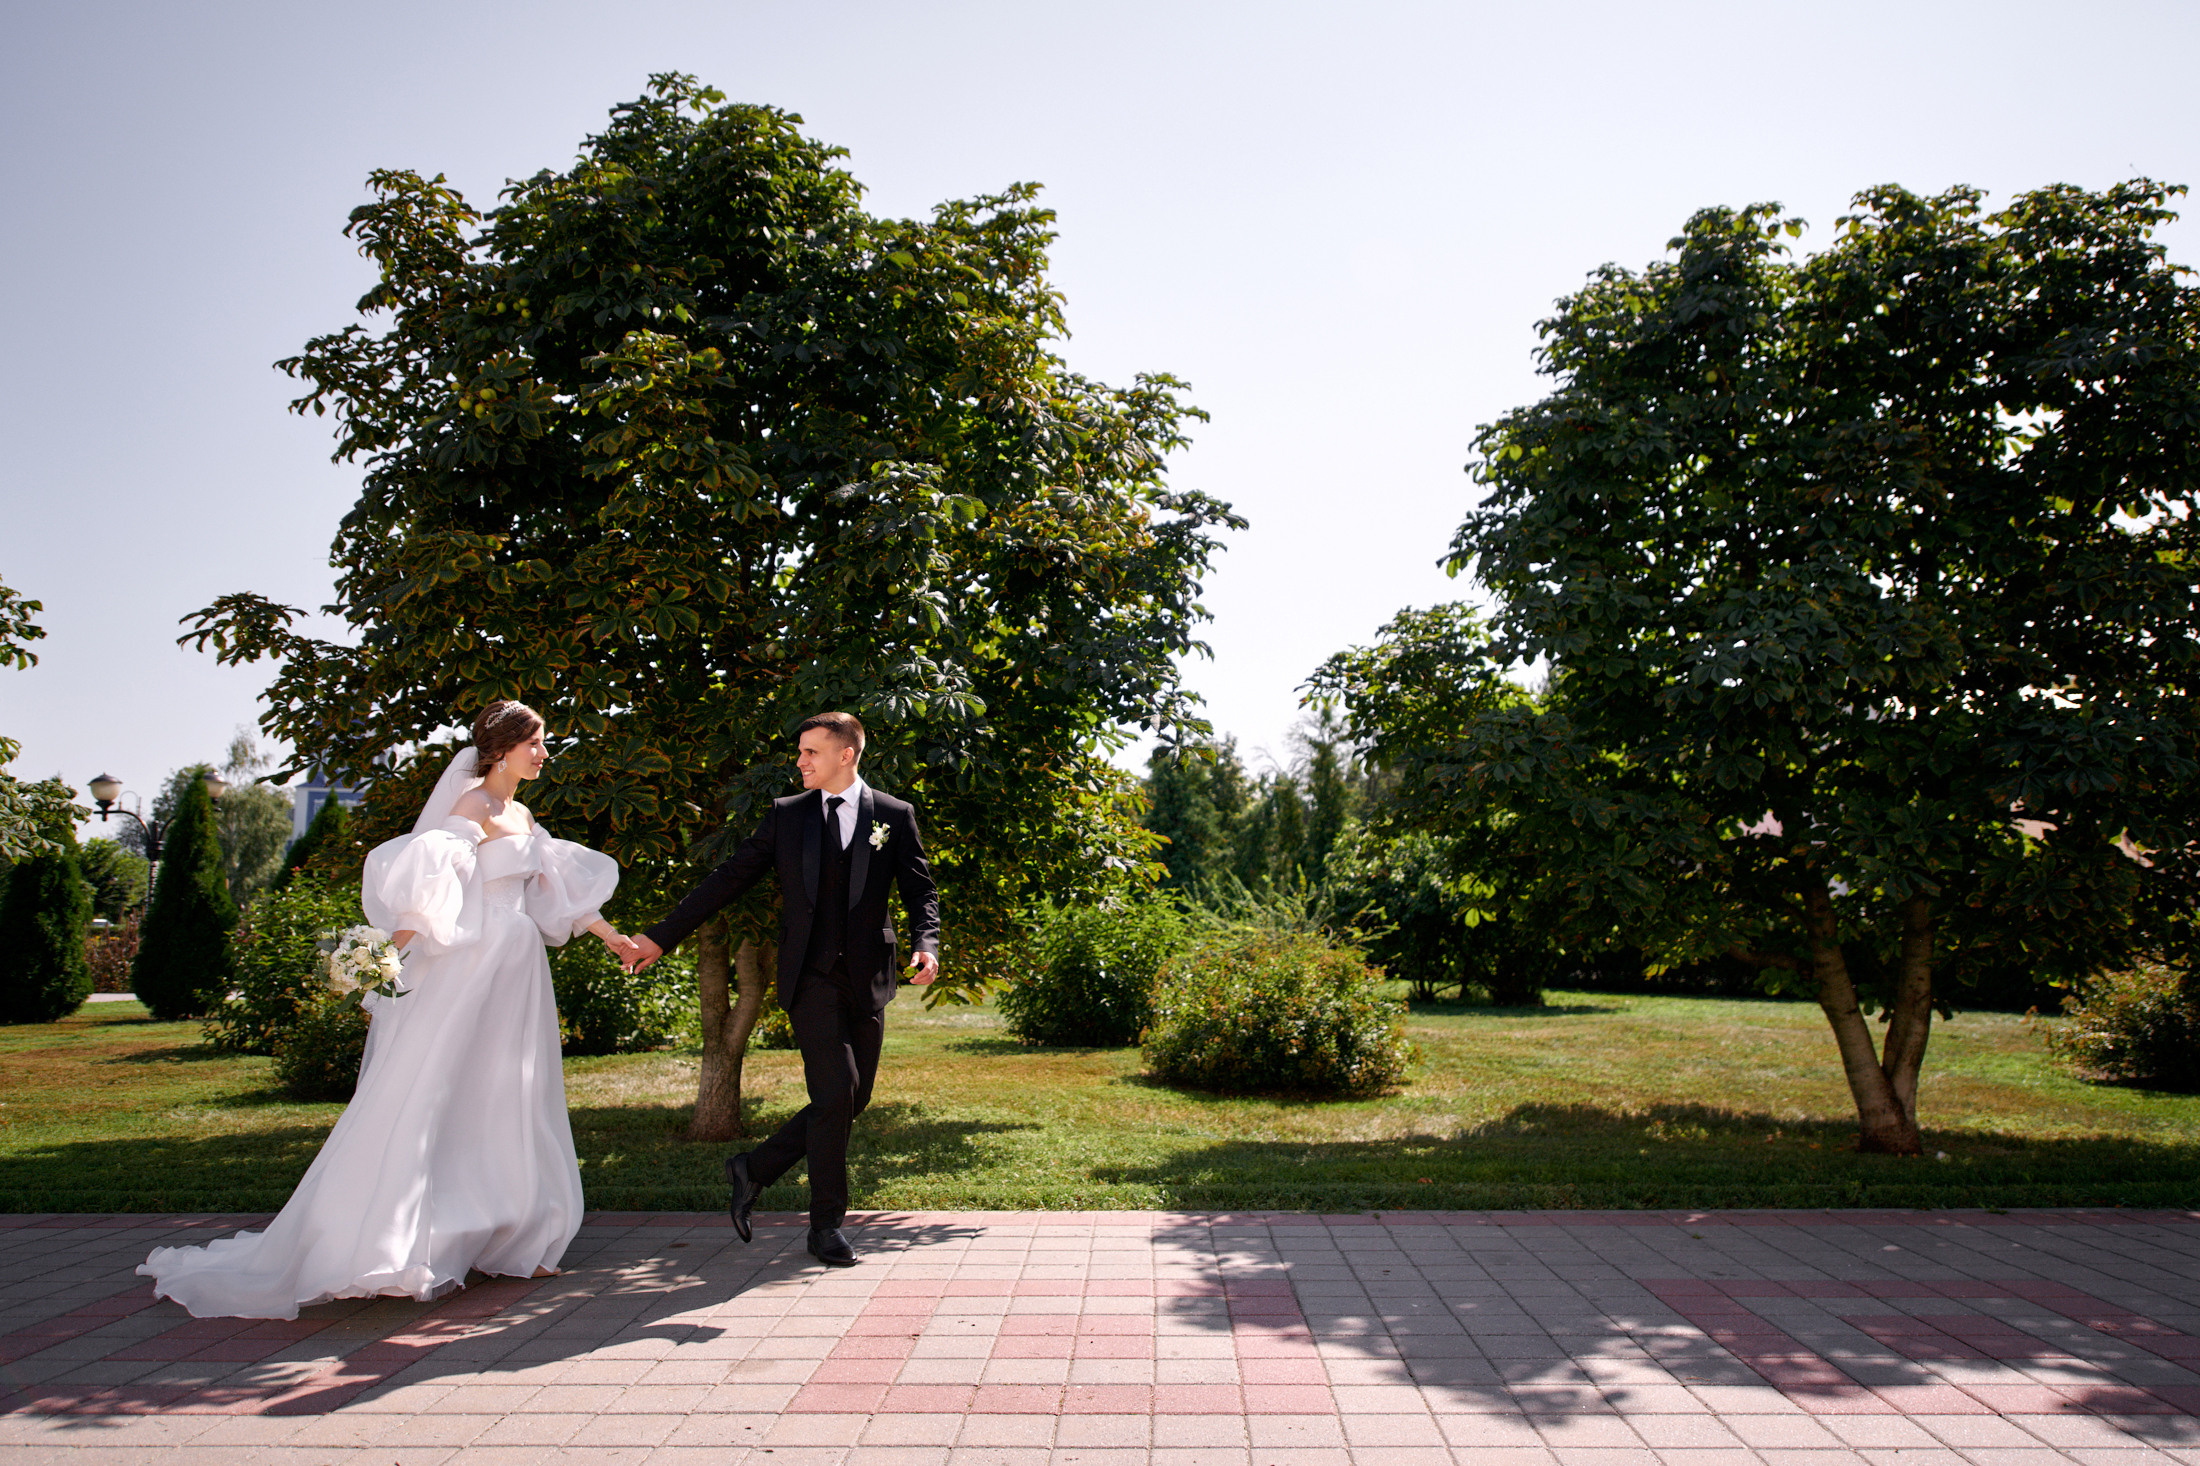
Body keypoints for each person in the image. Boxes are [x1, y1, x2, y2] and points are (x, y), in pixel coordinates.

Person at [138, 702, 632, 1319]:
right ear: (502, 749)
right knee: (434, 1090)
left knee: (513, 1091)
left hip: (518, 972)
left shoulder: (525, 814)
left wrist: (614, 939)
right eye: (536, 742)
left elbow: (557, 893)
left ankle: (515, 1234)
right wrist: (380, 956)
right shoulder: (470, 807)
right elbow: (430, 896)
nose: (544, 753)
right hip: (472, 968)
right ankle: (396, 1240)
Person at [622, 712, 940, 1267]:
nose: (800, 762)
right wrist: (660, 935)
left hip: (867, 980)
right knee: (837, 1092)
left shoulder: (893, 814)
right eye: (800, 752)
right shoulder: (787, 817)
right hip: (809, 978)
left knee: (851, 1098)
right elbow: (729, 878)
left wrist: (926, 943)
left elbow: (921, 890)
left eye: (811, 752)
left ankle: (755, 1168)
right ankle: (825, 1228)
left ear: (846, 755)